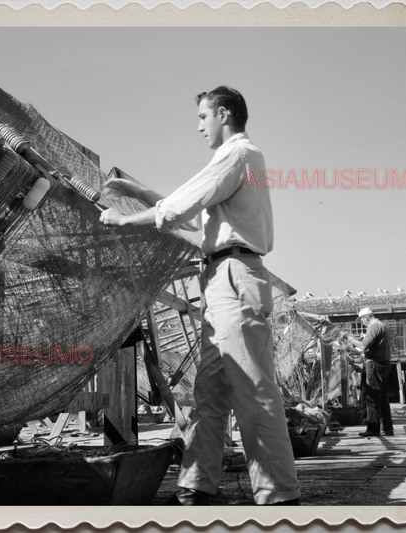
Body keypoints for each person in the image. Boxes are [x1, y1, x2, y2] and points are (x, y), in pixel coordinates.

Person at [99, 86, 300, 506]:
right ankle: (196, 486)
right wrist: (139, 195)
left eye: (203, 117)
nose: (199, 127)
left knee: (252, 389)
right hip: (223, 279)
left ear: (223, 114)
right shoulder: (238, 164)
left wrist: (122, 219)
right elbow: (192, 212)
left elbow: (179, 208)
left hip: (233, 278)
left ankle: (279, 496)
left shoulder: (238, 154)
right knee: (211, 392)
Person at [346, 307, 394, 437]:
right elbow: (369, 349)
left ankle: (373, 428)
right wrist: (355, 357)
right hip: (385, 364)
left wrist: (350, 340)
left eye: (362, 321)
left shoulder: (373, 327)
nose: (362, 323)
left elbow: (364, 346)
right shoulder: (382, 326)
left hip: (375, 365)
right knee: (383, 397)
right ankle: (388, 428)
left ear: (366, 317)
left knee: (371, 397)